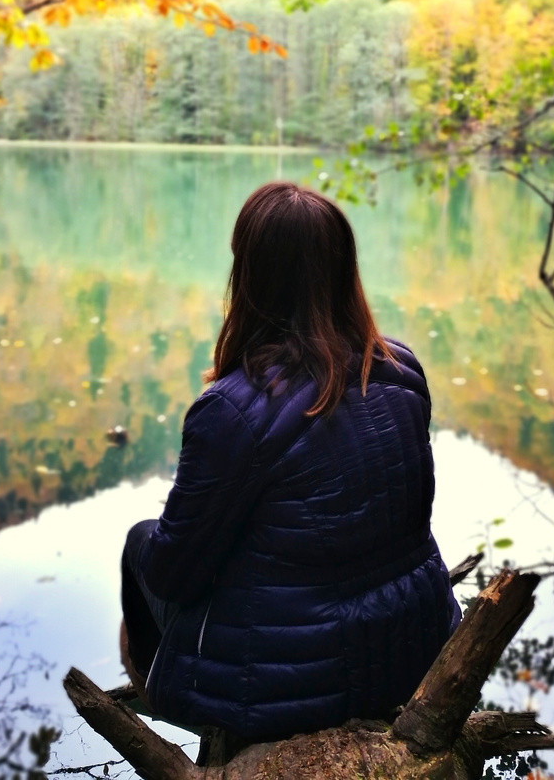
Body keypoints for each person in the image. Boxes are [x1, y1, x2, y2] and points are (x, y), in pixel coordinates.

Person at [119, 181, 461, 742]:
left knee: (143, 544)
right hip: (416, 642)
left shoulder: (232, 410)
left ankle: (162, 683)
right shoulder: (400, 369)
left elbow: (174, 575)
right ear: (342, 269)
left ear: (250, 278)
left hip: (295, 687)